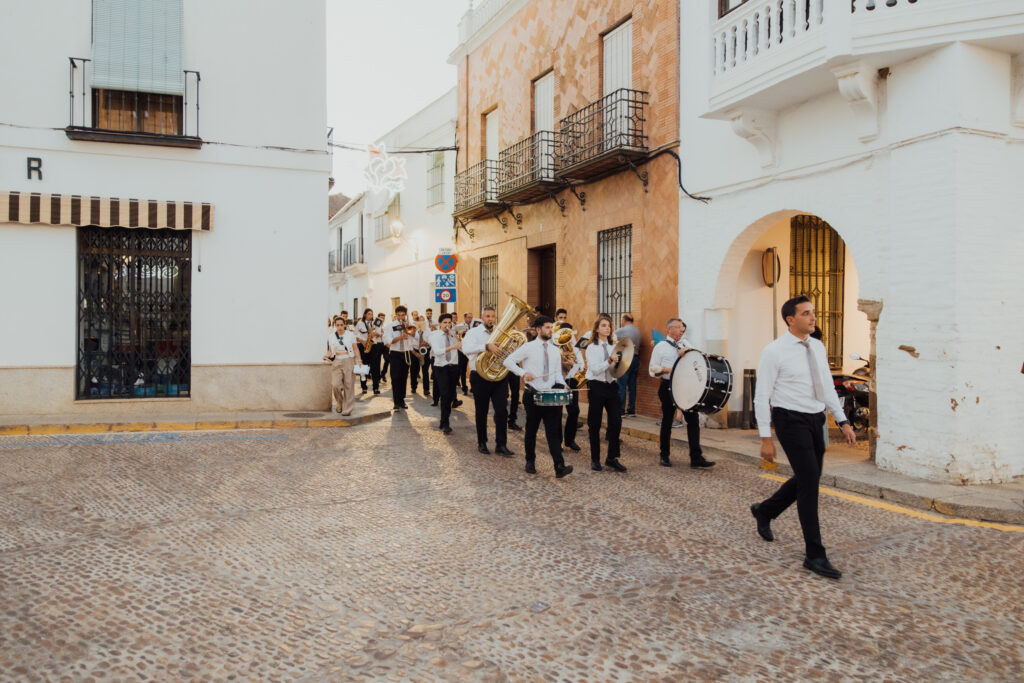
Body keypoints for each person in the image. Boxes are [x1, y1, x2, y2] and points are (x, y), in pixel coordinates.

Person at [751, 296, 856, 580]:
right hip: (789, 419)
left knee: (808, 477)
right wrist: (765, 436)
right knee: (809, 482)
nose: (813, 317)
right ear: (790, 319)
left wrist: (842, 420)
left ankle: (765, 510)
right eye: (806, 313)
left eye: (813, 313)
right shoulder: (774, 351)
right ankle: (815, 555)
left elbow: (826, 387)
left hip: (816, 418)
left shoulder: (817, 347)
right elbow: (761, 396)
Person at [503, 316, 573, 478]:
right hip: (532, 394)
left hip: (550, 396)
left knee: (553, 432)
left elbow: (556, 374)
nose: (551, 330)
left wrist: (563, 384)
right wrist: (523, 373)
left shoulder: (555, 350)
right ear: (538, 330)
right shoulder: (528, 347)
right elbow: (508, 361)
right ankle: (530, 461)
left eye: (551, 327)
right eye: (547, 327)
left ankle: (559, 466)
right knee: (531, 430)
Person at [648, 318, 715, 469]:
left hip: (685, 387)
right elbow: (652, 369)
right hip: (668, 387)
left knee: (693, 421)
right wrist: (666, 369)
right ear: (669, 329)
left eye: (682, 328)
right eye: (679, 328)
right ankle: (664, 455)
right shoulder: (661, 347)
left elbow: (695, 363)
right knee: (667, 421)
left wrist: (690, 353)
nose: (681, 331)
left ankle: (696, 458)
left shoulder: (686, 344)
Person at [461, 307, 514, 456]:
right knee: (481, 411)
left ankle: (501, 444)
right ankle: (482, 442)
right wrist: (486, 346)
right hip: (479, 376)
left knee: (502, 411)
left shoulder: (501, 333)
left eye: (492, 316)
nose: (490, 319)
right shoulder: (473, 333)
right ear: (481, 317)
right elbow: (466, 349)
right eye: (487, 316)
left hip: (499, 377)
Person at [585, 314, 627, 472]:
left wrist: (620, 363)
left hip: (612, 386)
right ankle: (595, 459)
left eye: (609, 325)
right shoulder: (592, 348)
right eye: (603, 325)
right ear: (596, 329)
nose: (607, 328)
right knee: (594, 424)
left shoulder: (613, 347)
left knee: (616, 422)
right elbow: (595, 370)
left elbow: (618, 369)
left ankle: (612, 458)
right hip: (596, 386)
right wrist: (609, 361)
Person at [323, 315, 361, 415]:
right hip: (336, 361)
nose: (339, 327)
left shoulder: (350, 335)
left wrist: (359, 359)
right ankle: (339, 403)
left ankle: (347, 409)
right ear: (335, 325)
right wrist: (326, 355)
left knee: (349, 385)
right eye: (337, 325)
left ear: (344, 325)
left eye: (341, 325)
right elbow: (330, 351)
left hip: (348, 359)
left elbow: (355, 348)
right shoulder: (331, 336)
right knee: (335, 385)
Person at [429, 313, 461, 434]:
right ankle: (445, 422)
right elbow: (437, 351)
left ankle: (444, 421)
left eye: (449, 323)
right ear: (440, 324)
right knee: (445, 394)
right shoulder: (434, 335)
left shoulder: (453, 334)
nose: (447, 325)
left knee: (450, 394)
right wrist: (452, 347)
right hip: (441, 367)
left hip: (454, 367)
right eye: (445, 323)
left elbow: (460, 348)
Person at [383, 305, 416, 411]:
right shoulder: (391, 326)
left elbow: (414, 338)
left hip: (406, 352)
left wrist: (409, 330)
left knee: (404, 377)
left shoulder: (409, 325)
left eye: (403, 315)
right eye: (399, 315)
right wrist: (399, 337)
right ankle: (396, 402)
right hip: (395, 353)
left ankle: (402, 400)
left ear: (406, 315)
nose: (401, 317)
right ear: (396, 315)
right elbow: (387, 340)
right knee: (395, 377)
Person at [558, 323, 584, 453]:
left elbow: (582, 366)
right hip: (557, 382)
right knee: (556, 412)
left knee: (574, 412)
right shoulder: (554, 347)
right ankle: (557, 442)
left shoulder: (575, 348)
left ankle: (569, 439)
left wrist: (572, 364)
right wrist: (560, 360)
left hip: (571, 381)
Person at [614, 313, 642, 415]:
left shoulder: (622, 330)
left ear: (623, 320)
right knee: (632, 385)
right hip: (635, 359)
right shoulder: (637, 331)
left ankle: (621, 410)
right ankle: (631, 410)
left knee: (621, 385)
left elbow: (610, 339)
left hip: (625, 358)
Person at [355, 308, 382, 395]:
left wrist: (375, 334)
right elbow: (354, 335)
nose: (371, 315)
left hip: (373, 346)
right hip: (363, 346)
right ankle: (364, 387)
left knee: (375, 368)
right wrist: (362, 341)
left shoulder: (375, 323)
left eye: (372, 314)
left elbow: (379, 333)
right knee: (363, 367)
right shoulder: (360, 323)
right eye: (369, 314)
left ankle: (376, 387)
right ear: (365, 315)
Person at [458, 312, 473, 395]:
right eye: (468, 317)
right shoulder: (460, 326)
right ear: (464, 318)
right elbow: (458, 338)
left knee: (473, 368)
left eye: (471, 317)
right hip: (462, 351)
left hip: (471, 351)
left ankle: (473, 387)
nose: (470, 319)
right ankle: (464, 388)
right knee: (463, 370)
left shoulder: (474, 326)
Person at [378, 312, 390, 382]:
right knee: (378, 362)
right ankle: (377, 377)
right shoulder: (375, 325)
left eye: (383, 318)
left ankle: (382, 374)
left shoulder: (386, 325)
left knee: (387, 360)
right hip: (378, 344)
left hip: (385, 345)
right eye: (381, 318)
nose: (382, 319)